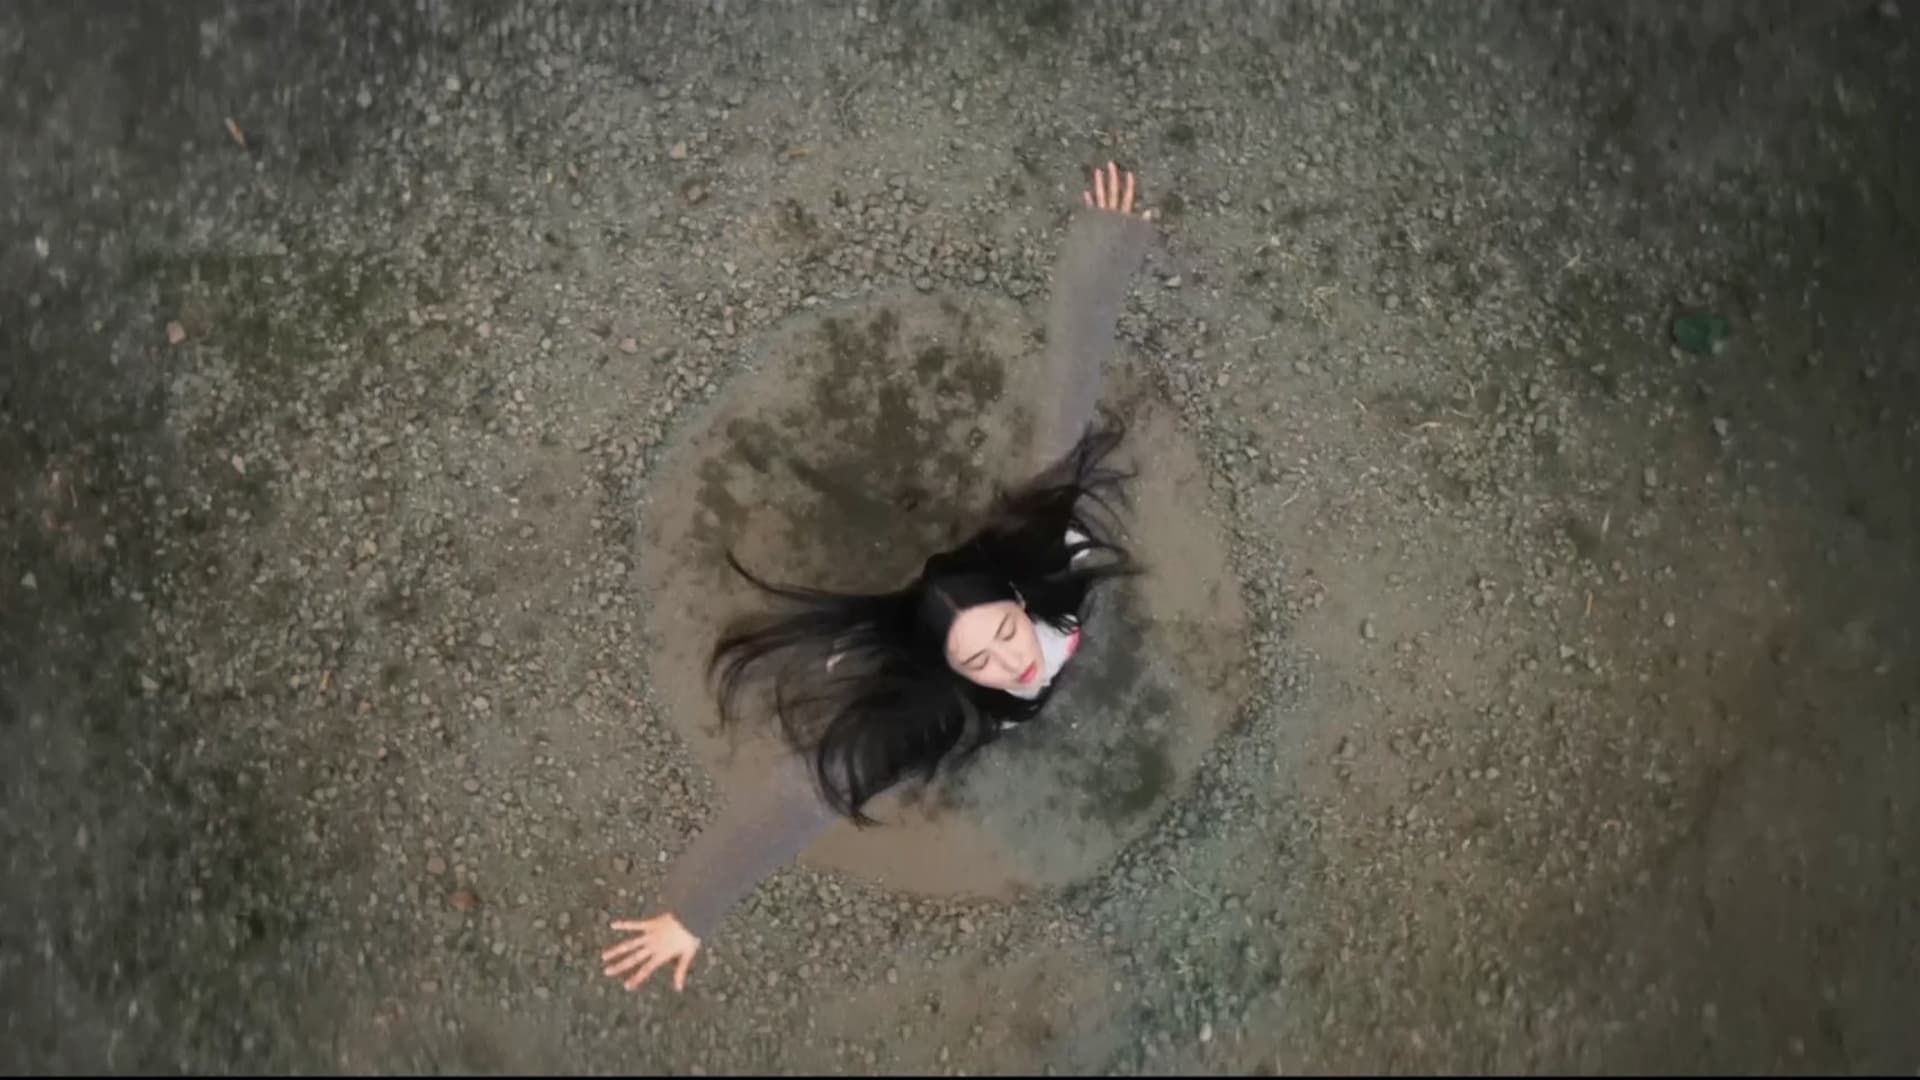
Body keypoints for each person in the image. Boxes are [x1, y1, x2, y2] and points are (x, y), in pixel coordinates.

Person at [602, 162, 1159, 994]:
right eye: (980, 662)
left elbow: (1069, 387)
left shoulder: (1050, 545)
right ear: (950, 673)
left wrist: (1103, 246)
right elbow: (806, 794)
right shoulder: (939, 708)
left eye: (1005, 636)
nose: (1010, 661)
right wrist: (693, 907)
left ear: (1018, 598)